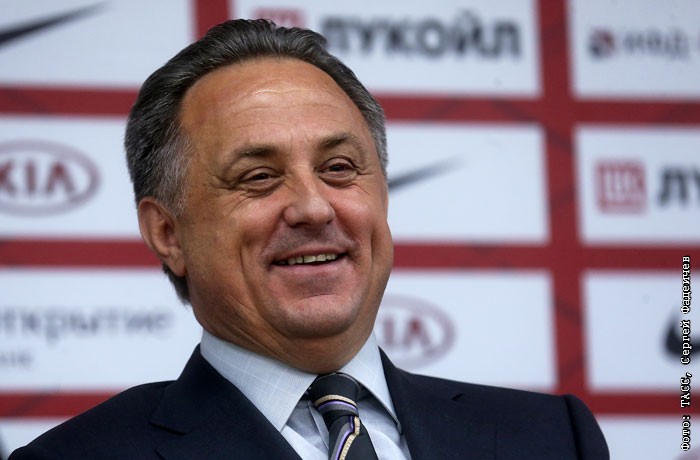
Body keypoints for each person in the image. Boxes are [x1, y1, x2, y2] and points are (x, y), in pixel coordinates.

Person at [10, 19, 608, 459]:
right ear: (167, 233)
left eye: (340, 168)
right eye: (258, 177)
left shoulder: (553, 437)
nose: (314, 207)